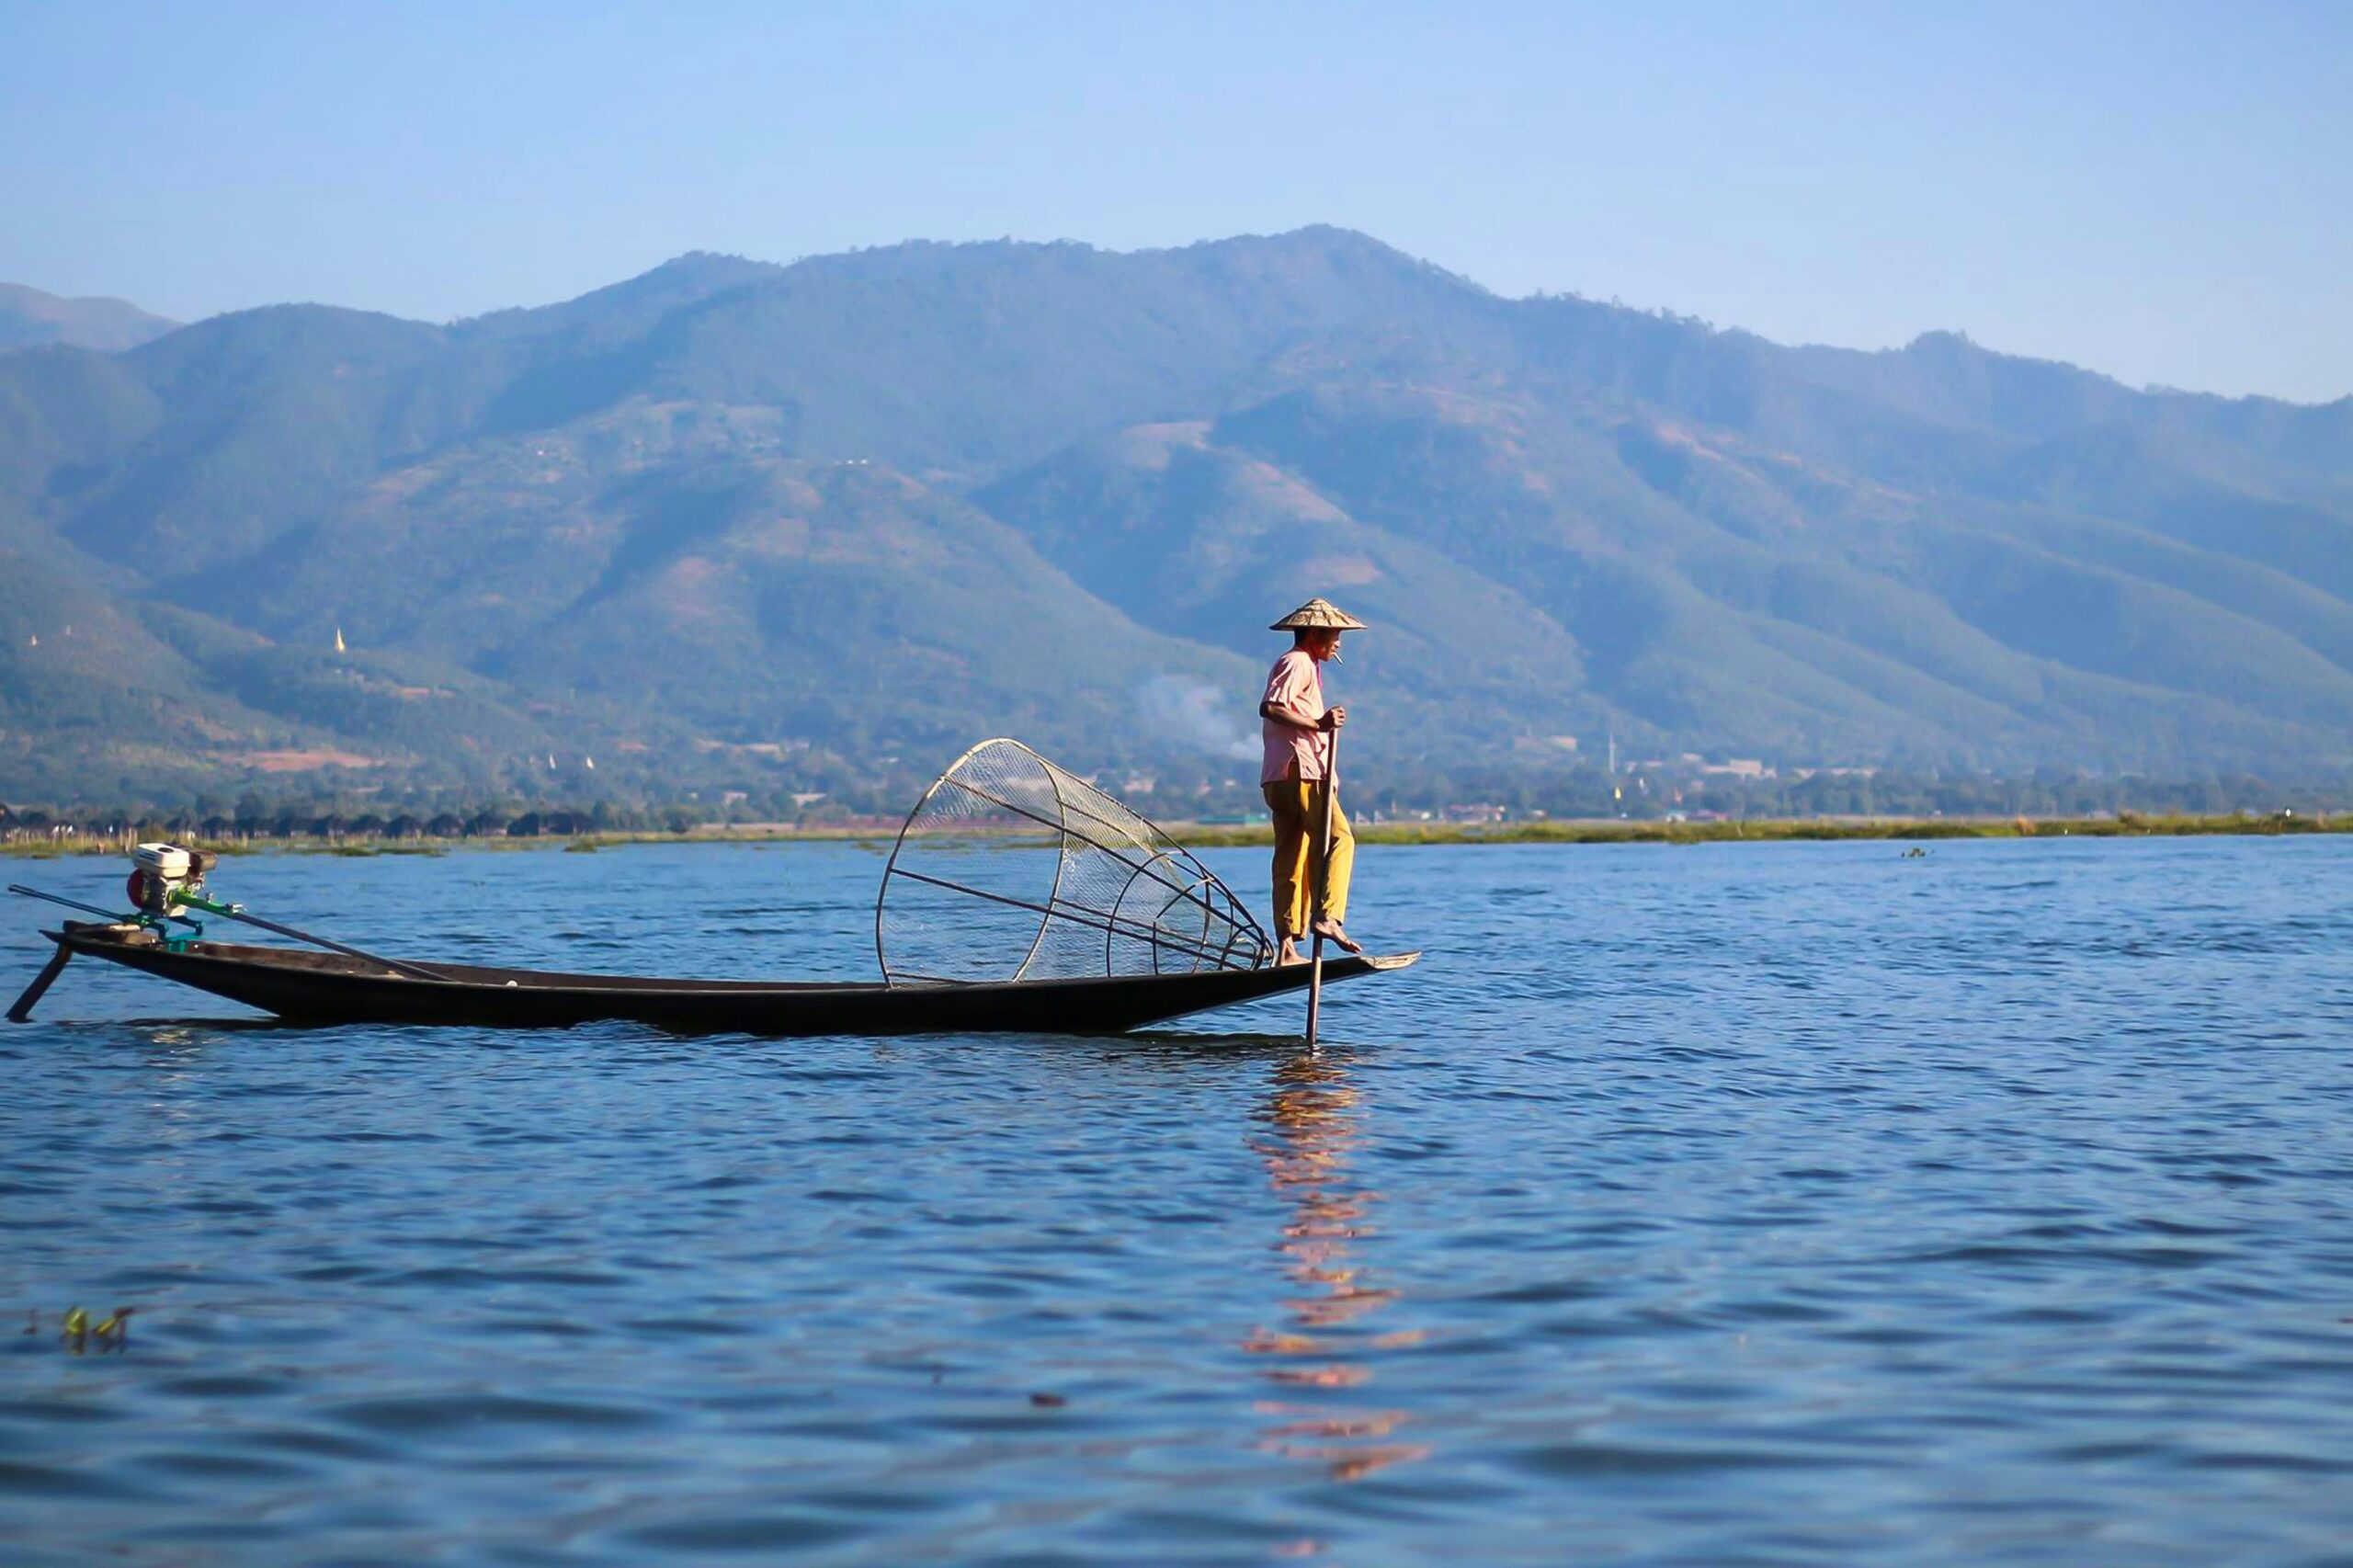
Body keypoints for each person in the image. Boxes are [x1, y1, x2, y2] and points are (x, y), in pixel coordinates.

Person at [1259, 597, 1368, 964]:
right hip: (1301, 772)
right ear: (1314, 634)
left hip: (1280, 777)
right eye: (1334, 634)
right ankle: (1329, 916)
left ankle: (1286, 946)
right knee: (1341, 839)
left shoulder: (1301, 664)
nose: (1337, 641)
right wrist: (1319, 725)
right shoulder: (1298, 662)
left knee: (1292, 858)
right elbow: (1272, 707)